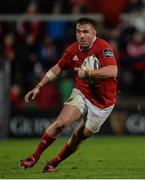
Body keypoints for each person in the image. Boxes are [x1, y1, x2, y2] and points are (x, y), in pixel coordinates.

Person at [19, 17, 118, 173]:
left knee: (80, 136)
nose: (81, 36)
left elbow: (113, 70)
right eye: (78, 31)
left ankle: (55, 162)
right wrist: (38, 86)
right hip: (82, 92)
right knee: (61, 123)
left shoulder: (103, 47)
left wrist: (89, 73)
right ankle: (35, 156)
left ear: (94, 33)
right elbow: (57, 68)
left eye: (86, 32)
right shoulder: (72, 49)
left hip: (103, 103)